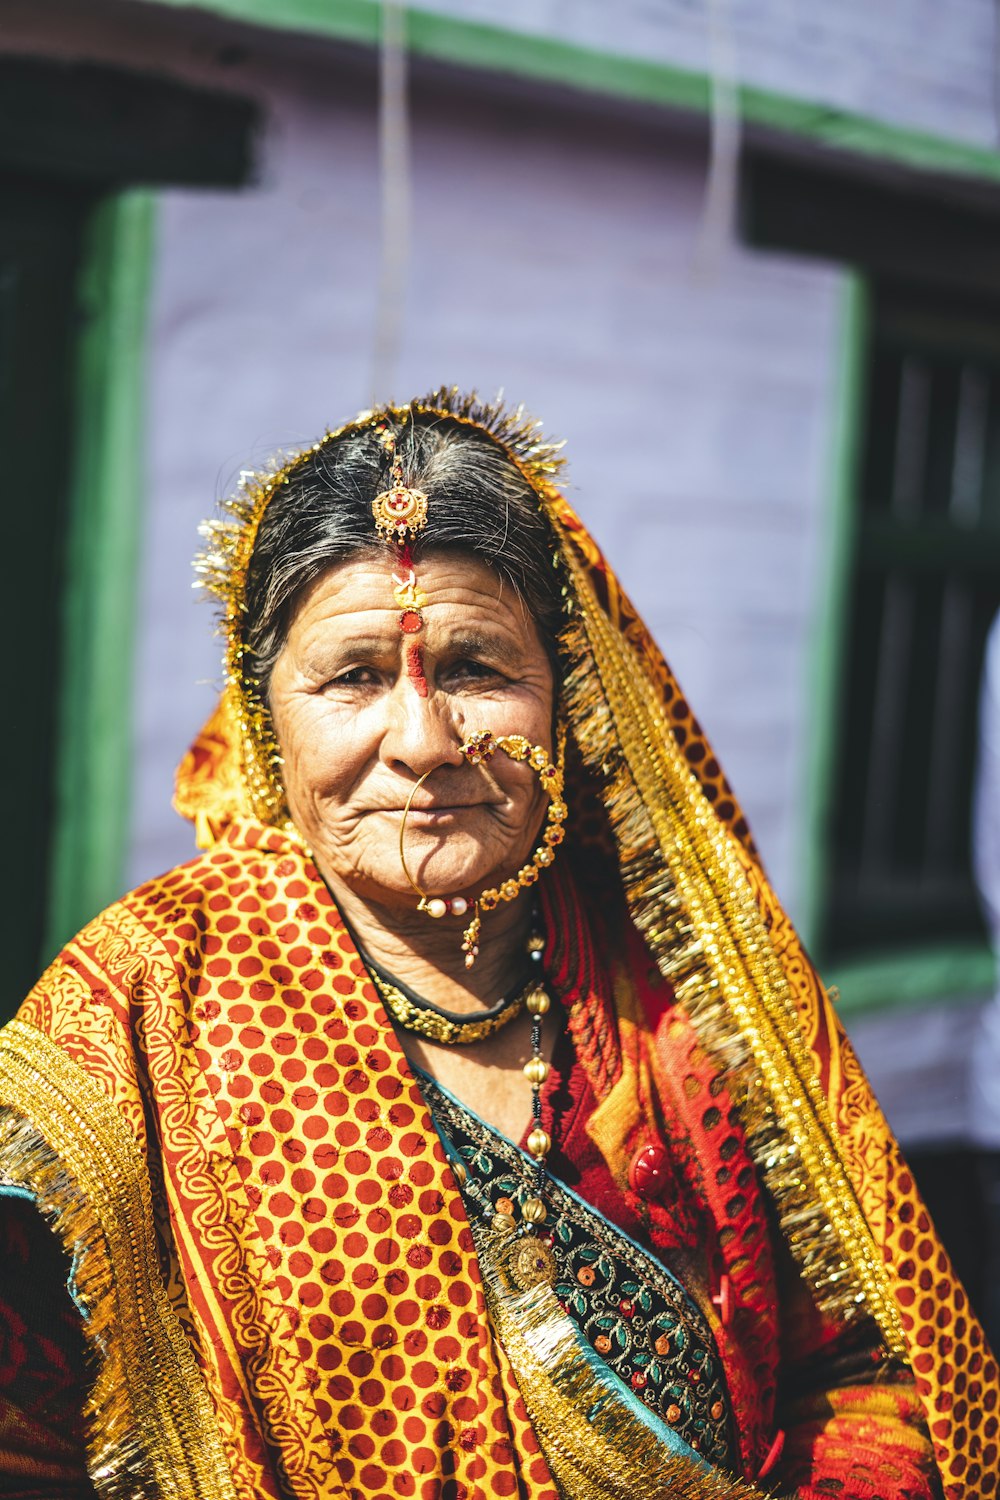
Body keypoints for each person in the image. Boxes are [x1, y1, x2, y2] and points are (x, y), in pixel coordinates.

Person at [0, 388, 995, 1500]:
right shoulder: (139, 1014)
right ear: (263, 707)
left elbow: (858, 1370)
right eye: (355, 678)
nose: (423, 741)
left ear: (565, 699)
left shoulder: (690, 1008)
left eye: (477, 668)